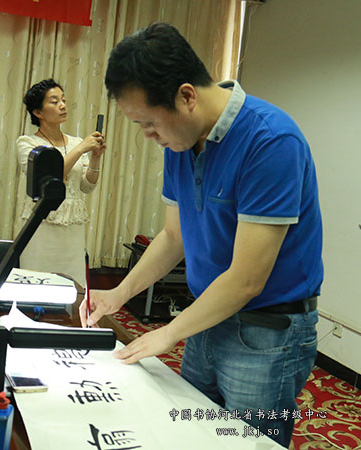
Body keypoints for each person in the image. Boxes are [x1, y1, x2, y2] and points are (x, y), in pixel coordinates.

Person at [80, 22, 322, 448]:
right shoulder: (181, 141)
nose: (148, 136)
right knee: (193, 434)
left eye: (149, 123)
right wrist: (119, 293)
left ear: (187, 96)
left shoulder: (270, 141)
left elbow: (246, 280)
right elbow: (174, 236)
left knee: (246, 441)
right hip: (205, 316)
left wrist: (168, 332)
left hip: (265, 331)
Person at [17, 78, 106, 286]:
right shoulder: (28, 143)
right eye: (54, 101)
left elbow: (87, 186)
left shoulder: (75, 142)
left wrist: (95, 158)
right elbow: (47, 175)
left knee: (72, 288)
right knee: (36, 285)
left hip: (72, 232)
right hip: (41, 226)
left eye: (63, 100)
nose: (63, 105)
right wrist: (81, 149)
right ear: (38, 112)